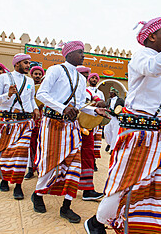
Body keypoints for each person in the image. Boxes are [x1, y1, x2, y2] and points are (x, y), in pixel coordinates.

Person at [84, 16, 161, 234]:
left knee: (160, 184)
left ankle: (149, 226)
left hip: (159, 135)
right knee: (125, 182)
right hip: (138, 135)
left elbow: (153, 101)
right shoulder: (142, 57)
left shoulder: (160, 64)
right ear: (151, 37)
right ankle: (96, 222)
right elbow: (154, 68)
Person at [31, 41, 107, 223]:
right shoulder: (55, 70)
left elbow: (80, 105)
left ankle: (66, 207)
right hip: (53, 125)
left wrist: (94, 110)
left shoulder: (81, 79)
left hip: (72, 128)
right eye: (80, 52)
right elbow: (41, 94)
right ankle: (37, 194)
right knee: (50, 162)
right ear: (69, 53)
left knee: (74, 166)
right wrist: (62, 108)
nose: (83, 55)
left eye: (83, 52)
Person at [0, 53, 39, 200]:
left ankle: (18, 185)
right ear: (17, 64)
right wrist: (7, 95)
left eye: (29, 63)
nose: (28, 65)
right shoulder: (4, 78)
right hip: (7, 123)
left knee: (21, 154)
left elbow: (31, 99)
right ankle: (4, 179)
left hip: (24, 122)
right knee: (6, 152)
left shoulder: (29, 81)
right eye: (25, 63)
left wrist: (36, 109)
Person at [76, 66, 104, 201]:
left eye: (86, 75)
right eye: (83, 74)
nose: (86, 77)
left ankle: (87, 190)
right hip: (66, 128)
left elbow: (92, 104)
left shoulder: (88, 91)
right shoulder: (68, 88)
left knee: (87, 155)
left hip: (86, 128)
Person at [24, 65, 45, 180]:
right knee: (30, 145)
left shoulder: (45, 87)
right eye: (35, 74)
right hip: (31, 120)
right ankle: (30, 169)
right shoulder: (28, 85)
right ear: (31, 75)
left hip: (43, 122)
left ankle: (41, 168)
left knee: (42, 146)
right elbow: (26, 98)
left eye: (39, 74)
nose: (37, 76)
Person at [87, 72, 105, 170]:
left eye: (95, 78)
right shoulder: (85, 90)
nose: (94, 79)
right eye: (92, 78)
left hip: (97, 120)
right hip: (87, 119)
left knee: (96, 142)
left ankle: (93, 163)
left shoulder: (100, 93)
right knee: (87, 142)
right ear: (88, 79)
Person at [103, 87, 124, 153]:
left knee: (114, 133)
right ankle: (109, 143)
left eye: (111, 92)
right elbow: (106, 106)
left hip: (116, 118)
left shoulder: (120, 100)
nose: (110, 93)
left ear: (114, 93)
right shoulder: (109, 100)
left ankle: (112, 148)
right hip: (109, 117)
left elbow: (122, 109)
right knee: (106, 131)